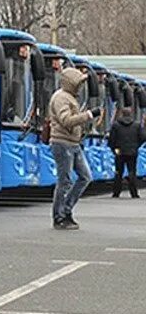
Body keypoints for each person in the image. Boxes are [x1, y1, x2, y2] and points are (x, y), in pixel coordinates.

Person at [48, 67, 100, 229]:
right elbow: (66, 120)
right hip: (62, 143)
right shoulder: (61, 98)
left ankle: (66, 209)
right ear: (71, 83)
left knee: (85, 177)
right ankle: (59, 216)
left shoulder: (69, 97)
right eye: (79, 83)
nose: (81, 86)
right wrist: (89, 115)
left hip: (73, 143)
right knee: (65, 181)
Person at [108, 107, 146, 198]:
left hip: (119, 152)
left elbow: (111, 140)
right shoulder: (136, 125)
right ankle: (134, 193)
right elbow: (143, 137)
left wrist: (114, 149)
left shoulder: (116, 125)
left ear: (121, 114)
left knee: (118, 172)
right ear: (131, 114)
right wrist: (136, 146)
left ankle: (116, 192)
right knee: (132, 171)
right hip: (132, 152)